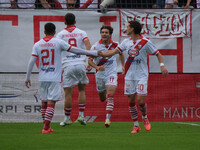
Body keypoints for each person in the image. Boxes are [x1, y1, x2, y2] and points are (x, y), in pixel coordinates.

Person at [25, 22, 100, 134]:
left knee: (44, 102)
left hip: (42, 77)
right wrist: (91, 53)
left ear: (44, 31)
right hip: (54, 77)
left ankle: (46, 126)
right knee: (51, 102)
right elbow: (75, 50)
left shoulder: (37, 44)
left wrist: (27, 77)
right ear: (55, 32)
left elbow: (31, 61)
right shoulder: (58, 42)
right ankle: (46, 128)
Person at [101, 20, 168, 133]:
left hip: (141, 75)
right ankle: (136, 126)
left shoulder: (145, 42)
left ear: (132, 29)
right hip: (129, 76)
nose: (126, 29)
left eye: (127, 27)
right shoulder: (126, 42)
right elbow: (113, 52)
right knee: (131, 102)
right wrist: (100, 54)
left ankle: (145, 116)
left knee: (141, 101)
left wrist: (162, 66)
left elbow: (158, 53)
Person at [56, 13, 92, 127]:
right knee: (82, 90)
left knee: (68, 94)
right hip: (80, 63)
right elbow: (88, 45)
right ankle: (81, 115)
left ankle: (67, 119)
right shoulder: (82, 32)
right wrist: (89, 59)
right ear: (75, 21)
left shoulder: (60, 34)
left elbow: (56, 49)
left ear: (65, 22)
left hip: (68, 65)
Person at [88, 26, 124, 127]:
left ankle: (107, 119)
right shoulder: (95, 46)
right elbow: (89, 61)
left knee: (110, 96)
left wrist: (124, 66)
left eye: (106, 32)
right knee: (102, 98)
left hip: (111, 73)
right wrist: (96, 67)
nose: (104, 34)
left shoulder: (115, 45)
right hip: (100, 75)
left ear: (110, 34)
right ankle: (107, 103)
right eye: (102, 32)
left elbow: (121, 53)